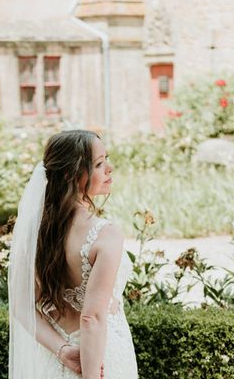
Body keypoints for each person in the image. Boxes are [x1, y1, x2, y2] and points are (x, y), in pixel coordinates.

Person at [8, 129, 138, 378]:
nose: (109, 168)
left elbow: (21, 305)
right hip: (100, 357)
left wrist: (62, 349)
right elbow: (92, 317)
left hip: (57, 356)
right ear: (71, 174)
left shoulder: (35, 230)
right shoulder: (105, 234)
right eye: (99, 164)